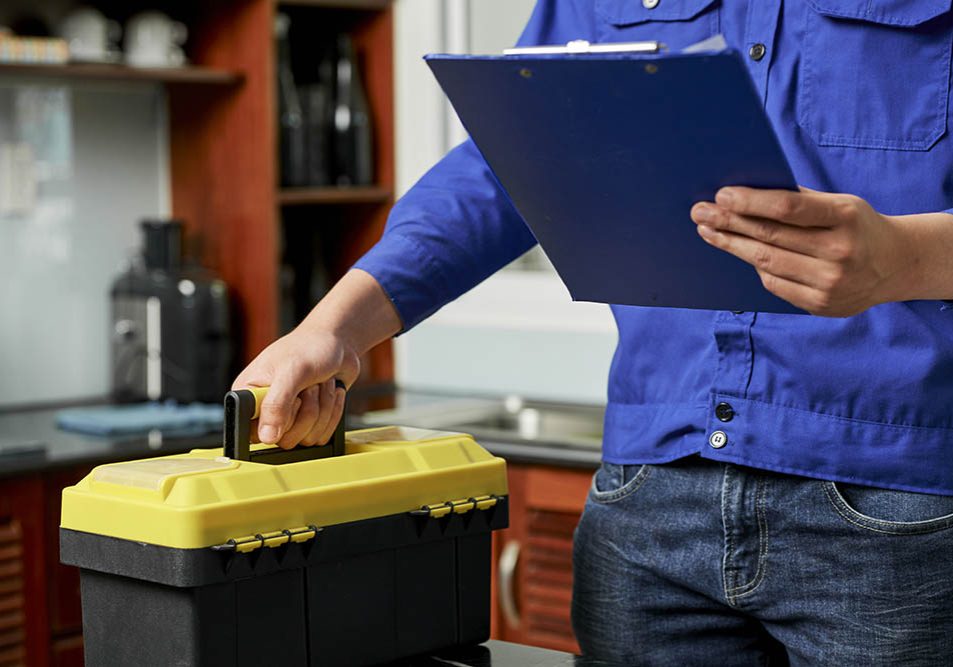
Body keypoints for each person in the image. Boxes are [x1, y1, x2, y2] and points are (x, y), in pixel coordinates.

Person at [232, 1, 953, 664]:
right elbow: (504, 168)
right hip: (646, 503)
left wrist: (902, 259)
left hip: (903, 502)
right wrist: (336, 327)